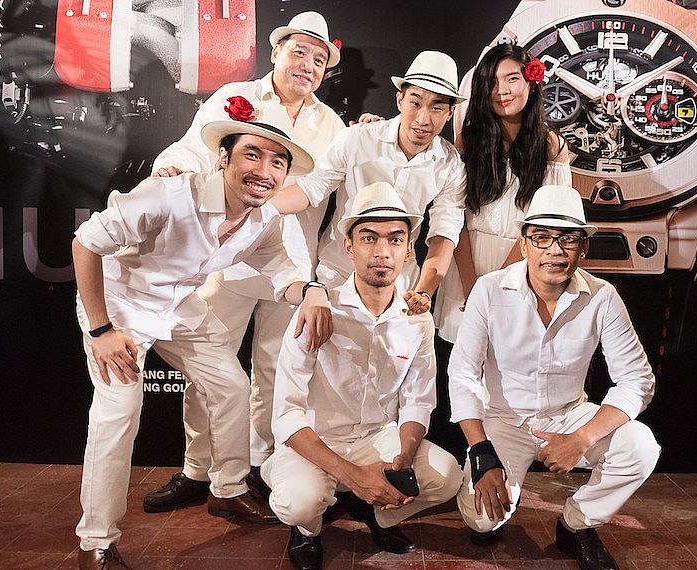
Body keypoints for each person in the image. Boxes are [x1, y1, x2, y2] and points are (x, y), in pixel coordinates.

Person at [72, 106, 331, 569]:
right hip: (119, 304)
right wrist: (102, 330)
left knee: (231, 385)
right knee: (119, 412)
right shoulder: (170, 195)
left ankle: (228, 490)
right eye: (252, 155)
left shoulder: (264, 220)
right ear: (223, 159)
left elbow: (281, 274)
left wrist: (312, 291)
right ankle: (95, 542)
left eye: (277, 162)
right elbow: (86, 242)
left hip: (178, 305)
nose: (264, 171)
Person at [143, 11, 346, 514]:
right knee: (209, 369)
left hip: (290, 264)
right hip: (227, 260)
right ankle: (197, 469)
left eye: (318, 59)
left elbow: (336, 188)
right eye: (299, 52)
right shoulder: (237, 97)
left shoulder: (331, 123)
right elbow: (195, 149)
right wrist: (173, 169)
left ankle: (252, 470)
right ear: (276, 52)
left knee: (275, 372)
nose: (307, 65)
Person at [448, 185, 661, 570]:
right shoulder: (489, 290)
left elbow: (637, 380)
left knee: (641, 447)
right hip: (503, 419)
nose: (555, 250)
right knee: (482, 520)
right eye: (542, 237)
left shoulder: (602, 296)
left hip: (569, 416)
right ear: (524, 244)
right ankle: (495, 506)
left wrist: (582, 438)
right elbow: (463, 372)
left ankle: (576, 524)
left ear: (583, 248)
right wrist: (481, 451)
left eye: (568, 239)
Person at [264, 182, 462, 570]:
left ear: (409, 250)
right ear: (349, 247)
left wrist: (402, 460)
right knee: (297, 503)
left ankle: (377, 512)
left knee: (447, 476)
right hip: (317, 439)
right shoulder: (317, 310)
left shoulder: (417, 319)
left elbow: (418, 402)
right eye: (369, 238)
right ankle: (307, 529)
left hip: (377, 438)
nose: (382, 251)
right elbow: (286, 414)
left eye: (395, 239)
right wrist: (354, 476)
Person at [270, 50, 467, 315]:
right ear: (399, 100)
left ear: (450, 112)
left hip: (401, 284)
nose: (423, 119)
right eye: (415, 102)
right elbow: (310, 189)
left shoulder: (450, 164)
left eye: (437, 107)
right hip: (339, 274)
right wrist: (252, 207)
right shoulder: (357, 139)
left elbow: (444, 235)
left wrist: (423, 292)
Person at [436, 42, 571, 343]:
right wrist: (471, 283)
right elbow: (453, 215)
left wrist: (498, 285)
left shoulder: (551, 146)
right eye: (492, 82)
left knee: (511, 356)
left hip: (523, 267)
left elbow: (547, 224)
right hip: (466, 263)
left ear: (531, 84)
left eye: (512, 78)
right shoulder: (468, 140)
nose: (502, 90)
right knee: (463, 357)